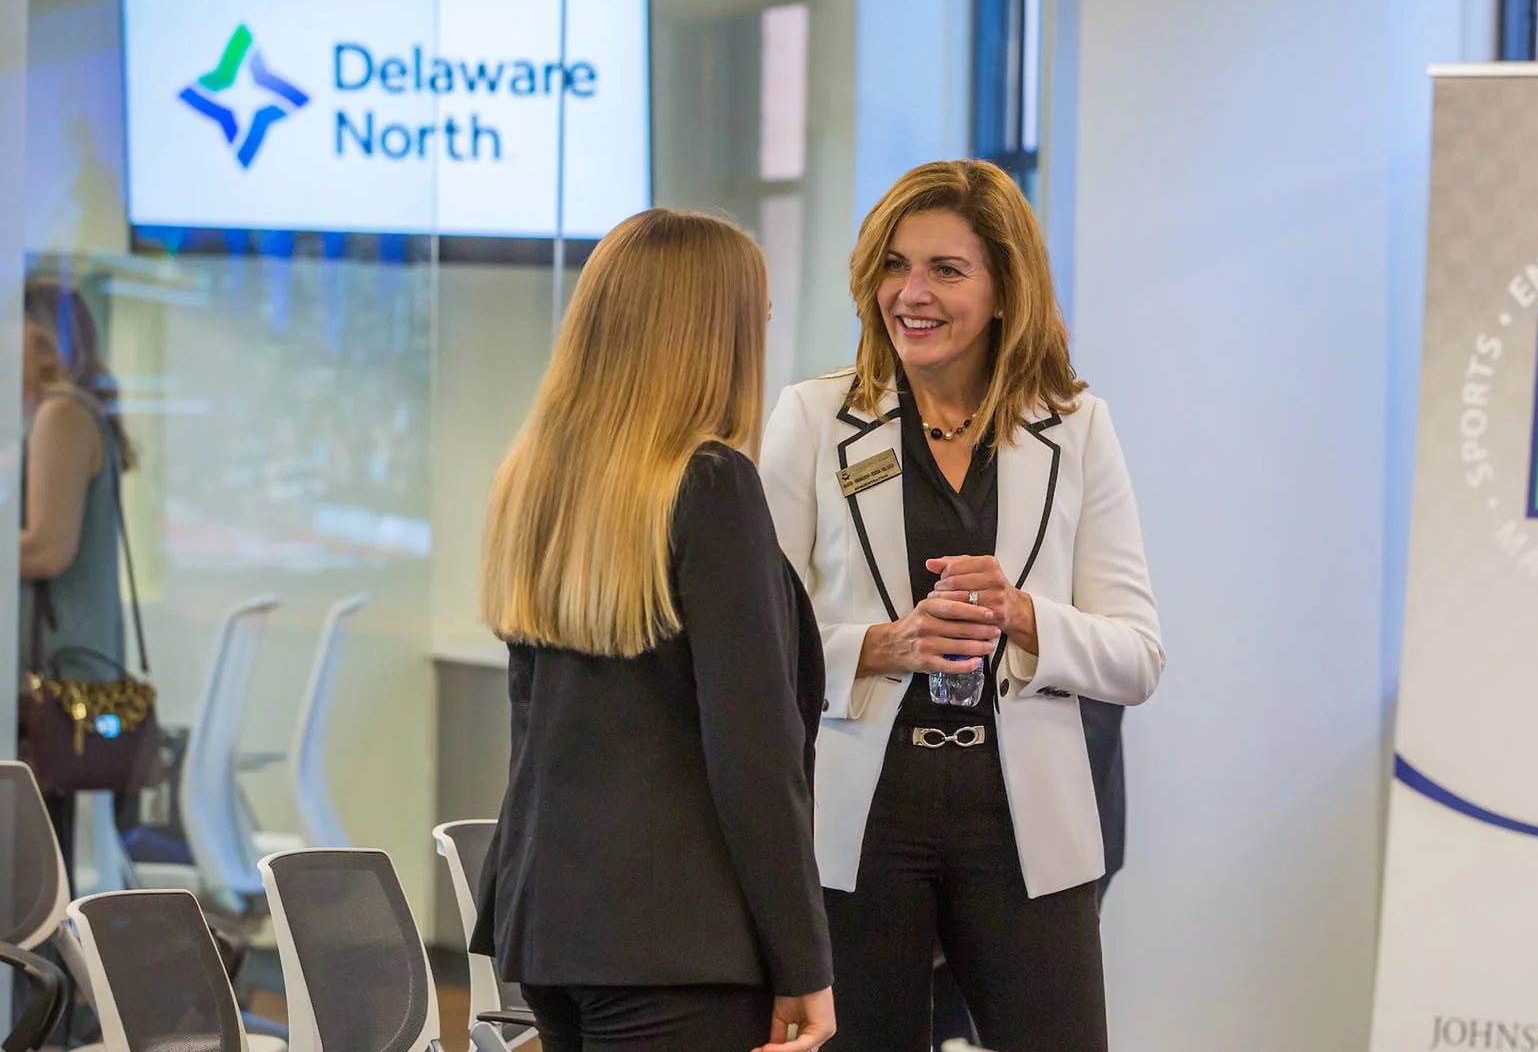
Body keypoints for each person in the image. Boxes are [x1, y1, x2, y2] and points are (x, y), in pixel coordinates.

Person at [760, 159, 1165, 1052]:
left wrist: (1024, 618)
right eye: (895, 266)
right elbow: (756, 644)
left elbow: (1138, 656)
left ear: (1005, 291)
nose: (912, 293)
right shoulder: (814, 419)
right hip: (861, 814)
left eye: (946, 269)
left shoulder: (1076, 426)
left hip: (1023, 819)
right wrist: (880, 645)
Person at [469, 209, 836, 1052]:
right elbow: (752, 752)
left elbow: (538, 730)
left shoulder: (536, 483)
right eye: (759, 319)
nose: (763, 341)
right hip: (679, 942)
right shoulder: (711, 485)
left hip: (553, 929)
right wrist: (804, 960)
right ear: (711, 335)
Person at [19, 281, 137, 868]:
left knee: (41, 862)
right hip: (69, 680)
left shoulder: (62, 415)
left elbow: (46, 549)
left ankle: (44, 964)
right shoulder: (69, 412)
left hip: (58, 684)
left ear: (38, 340)